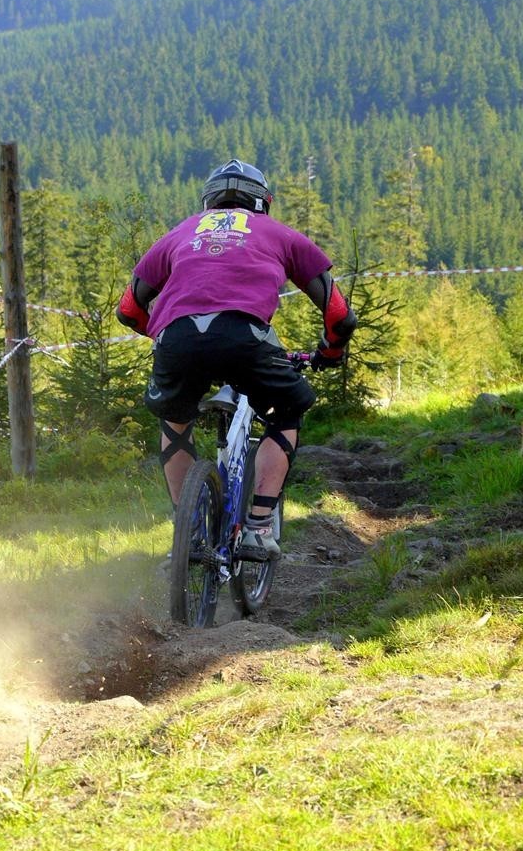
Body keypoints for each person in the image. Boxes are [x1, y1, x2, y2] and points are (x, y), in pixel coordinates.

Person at [116, 158, 357, 562]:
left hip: (177, 338)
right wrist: (330, 352)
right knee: (287, 410)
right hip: (245, 336)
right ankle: (259, 527)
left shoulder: (180, 233)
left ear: (208, 201)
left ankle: (188, 534)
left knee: (175, 421)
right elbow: (338, 315)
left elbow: (129, 310)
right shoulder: (278, 233)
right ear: (263, 202)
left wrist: (168, 337)